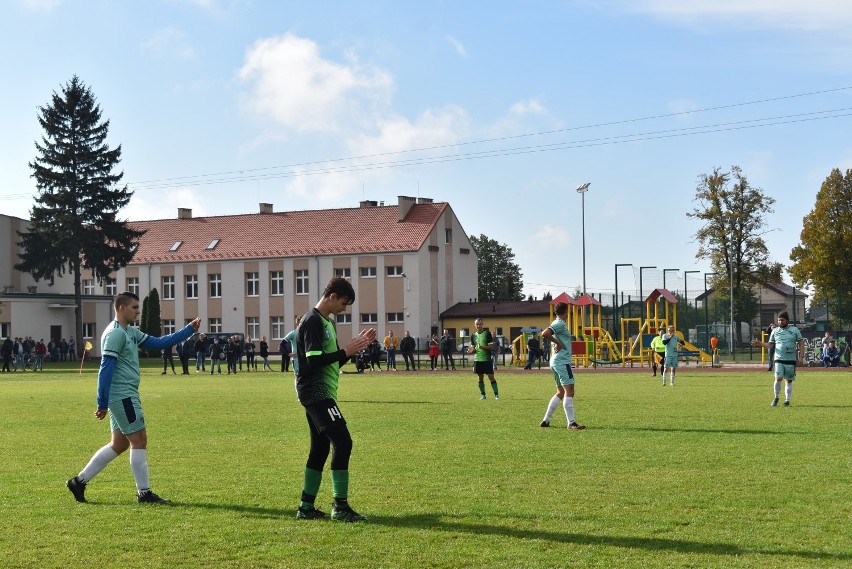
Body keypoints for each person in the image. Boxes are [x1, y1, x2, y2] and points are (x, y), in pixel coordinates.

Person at [65, 291, 201, 504]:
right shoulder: (115, 333)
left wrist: (188, 330)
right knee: (139, 440)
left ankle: (79, 481)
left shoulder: (130, 331)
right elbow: (105, 368)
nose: (138, 312)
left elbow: (157, 343)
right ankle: (144, 493)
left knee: (119, 444)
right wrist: (101, 402)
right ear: (121, 308)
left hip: (123, 395)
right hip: (123, 396)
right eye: (135, 308)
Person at [294, 276, 376, 522]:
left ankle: (305, 507)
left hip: (322, 392)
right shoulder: (312, 321)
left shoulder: (326, 323)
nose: (344, 308)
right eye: (344, 303)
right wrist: (345, 350)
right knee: (343, 442)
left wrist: (352, 351)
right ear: (332, 297)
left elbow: (332, 362)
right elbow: (313, 360)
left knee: (319, 448)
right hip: (315, 392)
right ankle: (340, 507)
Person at [539, 302, 585, 430]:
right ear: (565, 311)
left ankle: (546, 420)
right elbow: (545, 333)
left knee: (560, 392)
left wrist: (563, 344)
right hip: (562, 362)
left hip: (556, 361)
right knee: (569, 390)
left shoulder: (557, 322)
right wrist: (558, 344)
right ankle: (571, 423)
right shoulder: (559, 323)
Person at [751, 311, 804, 407]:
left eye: (782, 320)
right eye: (779, 320)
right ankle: (776, 397)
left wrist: (800, 358)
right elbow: (770, 345)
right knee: (778, 378)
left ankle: (787, 400)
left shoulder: (795, 330)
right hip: (778, 358)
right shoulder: (775, 331)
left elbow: (801, 343)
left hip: (791, 359)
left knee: (788, 380)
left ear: (787, 320)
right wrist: (760, 343)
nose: (780, 322)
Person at [469, 318, 499, 400]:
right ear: (475, 325)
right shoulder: (473, 336)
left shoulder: (487, 333)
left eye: (480, 324)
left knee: (491, 377)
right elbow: (473, 348)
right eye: (477, 324)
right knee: (480, 377)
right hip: (477, 360)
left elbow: (491, 347)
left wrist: (481, 347)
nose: (478, 326)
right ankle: (483, 395)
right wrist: (471, 350)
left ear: (482, 324)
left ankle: (496, 395)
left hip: (486, 359)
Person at [284, 316, 302, 393]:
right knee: (297, 376)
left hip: (304, 359)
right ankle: (299, 395)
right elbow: (282, 344)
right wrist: (288, 353)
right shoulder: (293, 333)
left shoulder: (305, 333)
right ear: (297, 323)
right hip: (296, 359)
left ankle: (305, 394)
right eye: (301, 322)